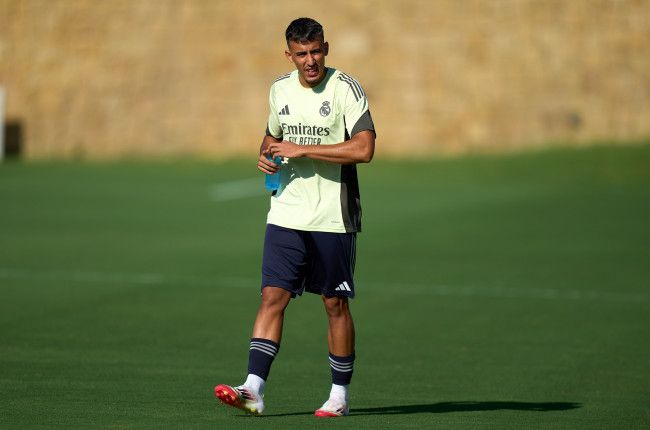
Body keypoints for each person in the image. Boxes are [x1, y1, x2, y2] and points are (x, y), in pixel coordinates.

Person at [214, 17, 375, 418]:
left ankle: (339, 396)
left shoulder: (345, 88)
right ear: (289, 55)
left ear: (326, 48)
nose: (310, 60)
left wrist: (304, 150)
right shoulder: (279, 89)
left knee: (334, 303)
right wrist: (266, 155)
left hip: (333, 216)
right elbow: (271, 137)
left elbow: (364, 149)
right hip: (286, 212)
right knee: (272, 296)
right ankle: (253, 388)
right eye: (301, 53)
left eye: (316, 51)